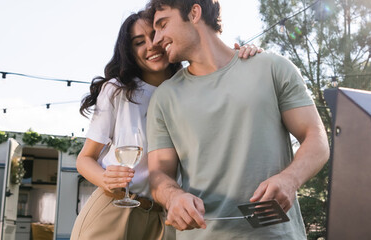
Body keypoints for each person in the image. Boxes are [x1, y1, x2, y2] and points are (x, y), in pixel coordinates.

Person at [144, 0, 331, 239]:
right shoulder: (164, 98)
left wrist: (290, 179)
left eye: (162, 25)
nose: (156, 39)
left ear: (194, 13)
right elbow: (159, 174)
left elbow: (316, 139)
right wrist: (173, 196)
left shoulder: (272, 67)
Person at [71, 10, 261, 240]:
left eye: (155, 35)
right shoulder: (117, 91)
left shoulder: (190, 89)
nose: (151, 45)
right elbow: (85, 159)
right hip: (114, 209)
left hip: (164, 219)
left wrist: (242, 58)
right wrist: (105, 179)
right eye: (139, 42)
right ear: (129, 52)